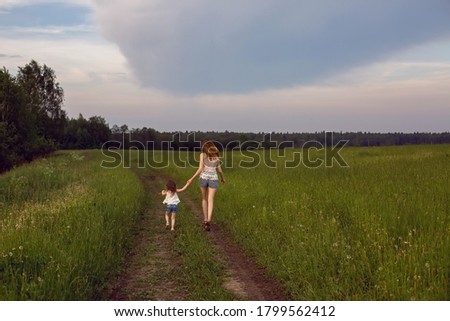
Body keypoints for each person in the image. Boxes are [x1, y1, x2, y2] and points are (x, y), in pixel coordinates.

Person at [187, 140, 225, 231]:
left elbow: (200, 169)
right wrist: (222, 178)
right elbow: (220, 171)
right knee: (210, 200)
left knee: (204, 198)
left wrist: (191, 178)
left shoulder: (202, 155)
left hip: (203, 178)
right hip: (213, 179)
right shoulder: (217, 157)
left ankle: (205, 219)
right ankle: (209, 219)